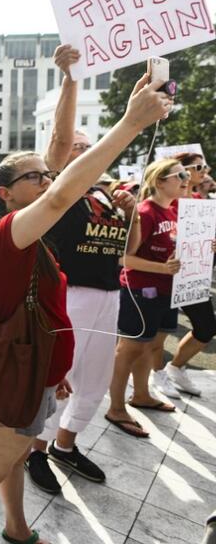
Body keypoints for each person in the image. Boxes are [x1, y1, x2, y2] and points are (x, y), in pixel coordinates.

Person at [0, 72, 170, 544]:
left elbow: (42, 315)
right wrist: (129, 124)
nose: (47, 179)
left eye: (47, 171)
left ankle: (16, 529)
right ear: (5, 194)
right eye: (34, 175)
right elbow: (62, 194)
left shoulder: (38, 242)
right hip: (16, 385)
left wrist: (55, 372)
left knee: (17, 458)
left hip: (36, 377)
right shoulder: (10, 231)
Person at [25, 46, 135, 494]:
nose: (85, 153)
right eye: (79, 148)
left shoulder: (107, 195)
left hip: (110, 293)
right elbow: (57, 145)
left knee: (93, 381)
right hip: (71, 296)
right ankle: (37, 451)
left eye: (91, 149)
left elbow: (126, 251)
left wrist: (133, 214)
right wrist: (71, 79)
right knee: (59, 380)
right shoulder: (59, 189)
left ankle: (66, 446)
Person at [105, 158, 190, 437]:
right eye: (180, 174)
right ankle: (116, 406)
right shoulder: (145, 212)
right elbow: (124, 258)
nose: (186, 179)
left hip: (165, 290)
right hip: (141, 290)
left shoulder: (174, 210)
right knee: (129, 349)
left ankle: (141, 395)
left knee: (149, 344)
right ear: (160, 181)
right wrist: (162, 268)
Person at [149, 151, 216, 399]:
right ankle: (158, 374)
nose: (203, 171)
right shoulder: (167, 201)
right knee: (160, 331)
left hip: (192, 276)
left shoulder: (200, 201)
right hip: (166, 275)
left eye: (205, 166)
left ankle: (176, 367)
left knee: (206, 327)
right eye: (197, 167)